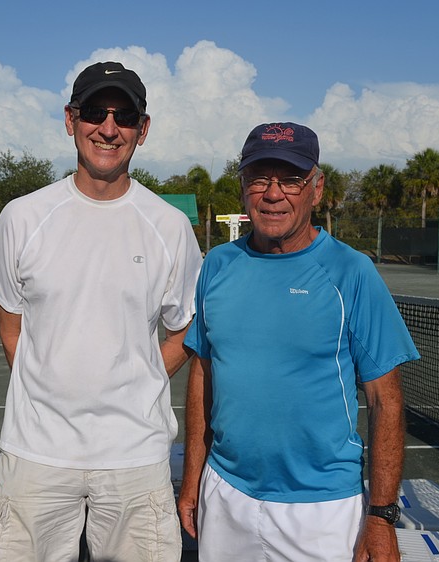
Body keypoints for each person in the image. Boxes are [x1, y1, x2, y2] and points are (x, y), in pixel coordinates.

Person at [0, 61, 203, 562]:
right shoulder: (23, 217)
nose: (109, 128)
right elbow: (12, 328)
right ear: (71, 119)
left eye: (124, 116)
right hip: (35, 455)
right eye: (96, 111)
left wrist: (139, 378)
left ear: (143, 130)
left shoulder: (168, 226)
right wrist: (50, 389)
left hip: (134, 459)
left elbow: (186, 327)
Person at [178, 122, 420, 561]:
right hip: (226, 494)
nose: (273, 193)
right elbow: (203, 372)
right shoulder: (216, 265)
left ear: (316, 188)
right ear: (243, 186)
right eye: (259, 178)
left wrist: (382, 517)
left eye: (290, 179)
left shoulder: (352, 272)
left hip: (322, 511)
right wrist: (193, 474)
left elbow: (386, 401)